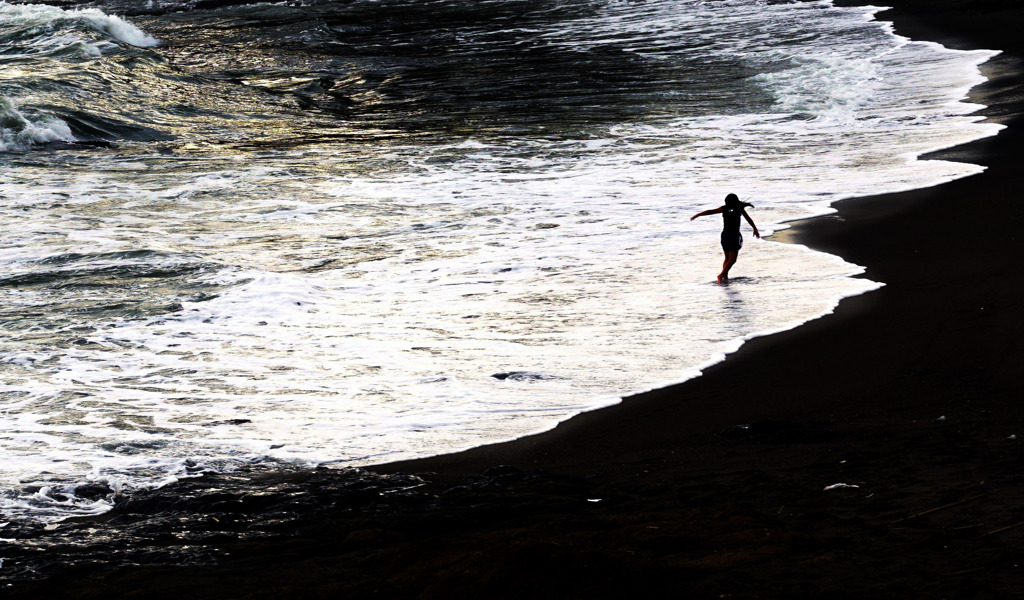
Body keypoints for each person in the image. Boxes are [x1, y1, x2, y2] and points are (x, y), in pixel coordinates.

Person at [691, 193, 760, 283]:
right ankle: (721, 275)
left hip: (725, 235)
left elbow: (710, 211)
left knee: (727, 258)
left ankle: (725, 277)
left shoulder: (724, 208)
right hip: (734, 235)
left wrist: (698, 215)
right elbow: (749, 219)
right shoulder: (739, 208)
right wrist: (755, 229)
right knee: (732, 259)